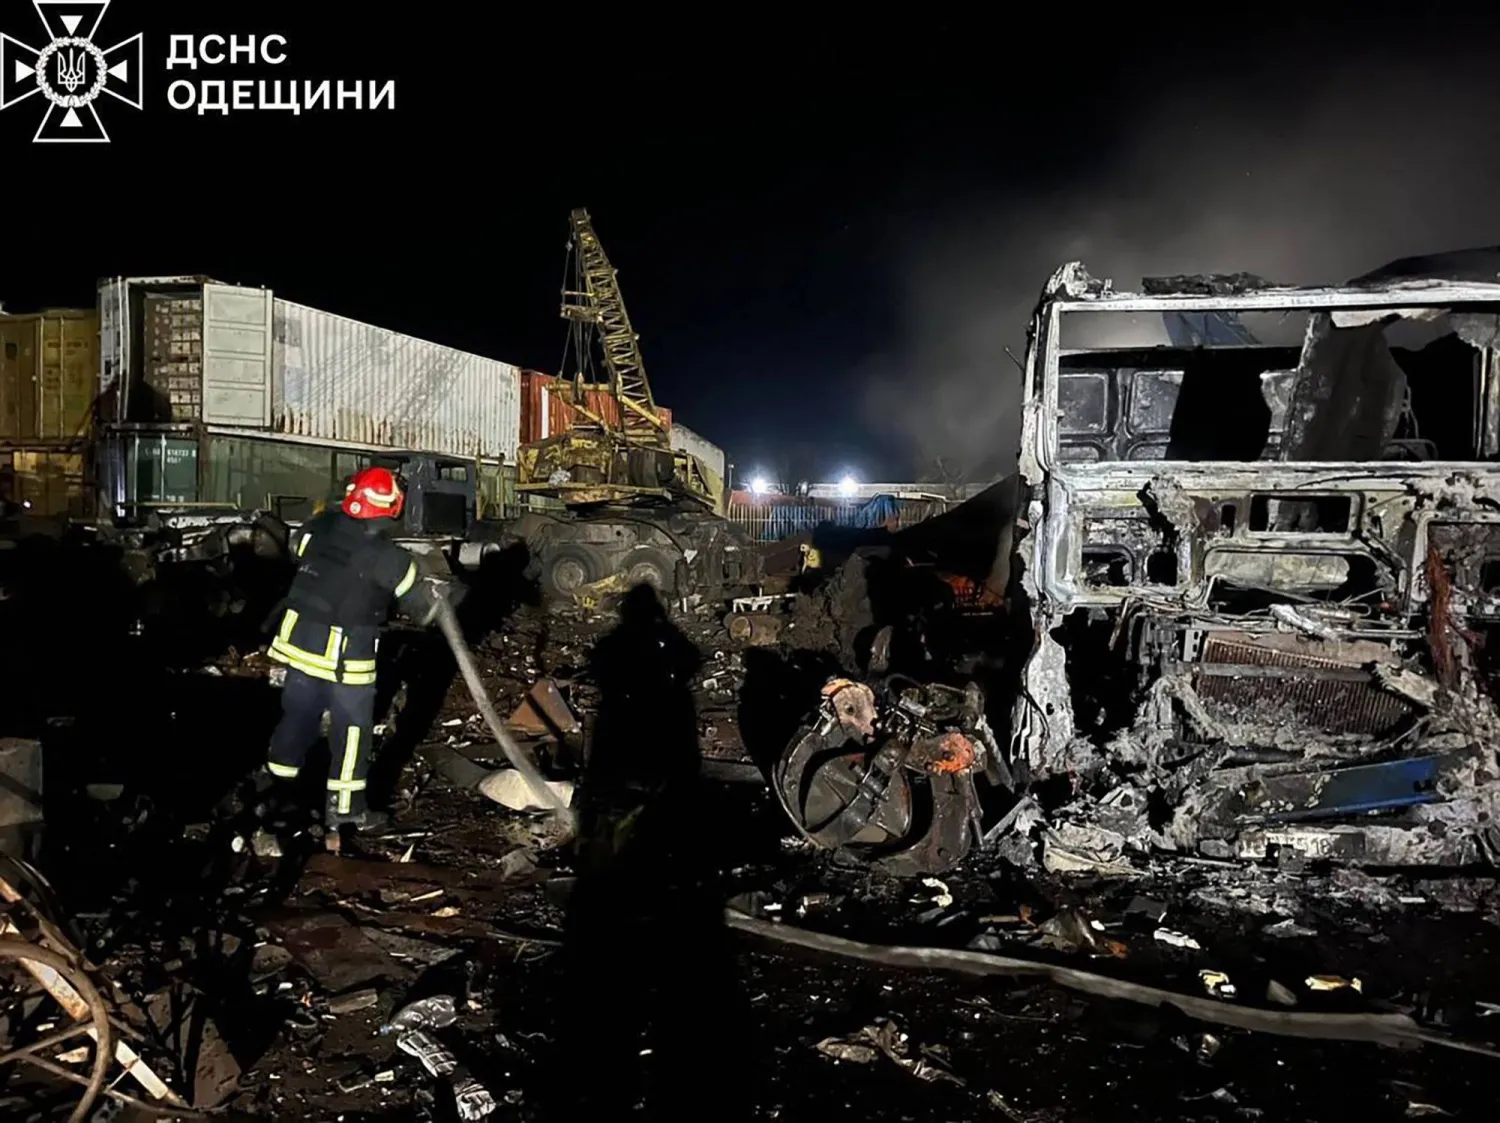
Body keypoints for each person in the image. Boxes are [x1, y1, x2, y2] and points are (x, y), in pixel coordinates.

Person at [258, 466, 452, 835]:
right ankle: (345, 809)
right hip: (347, 655)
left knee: (298, 716)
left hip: (298, 643)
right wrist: (440, 595)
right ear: (393, 507)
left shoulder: (317, 528)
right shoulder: (394, 561)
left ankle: (276, 791)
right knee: (353, 731)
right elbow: (424, 612)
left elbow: (299, 550)